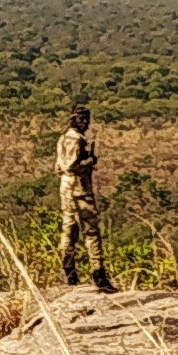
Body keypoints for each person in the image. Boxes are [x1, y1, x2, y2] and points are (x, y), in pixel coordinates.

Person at [52, 99, 110, 290]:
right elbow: (70, 166)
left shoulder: (62, 138)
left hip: (65, 188)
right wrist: (89, 161)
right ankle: (98, 274)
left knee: (68, 230)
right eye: (81, 119)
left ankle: (69, 272)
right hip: (80, 188)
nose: (84, 122)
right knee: (91, 231)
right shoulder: (78, 140)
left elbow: (58, 168)